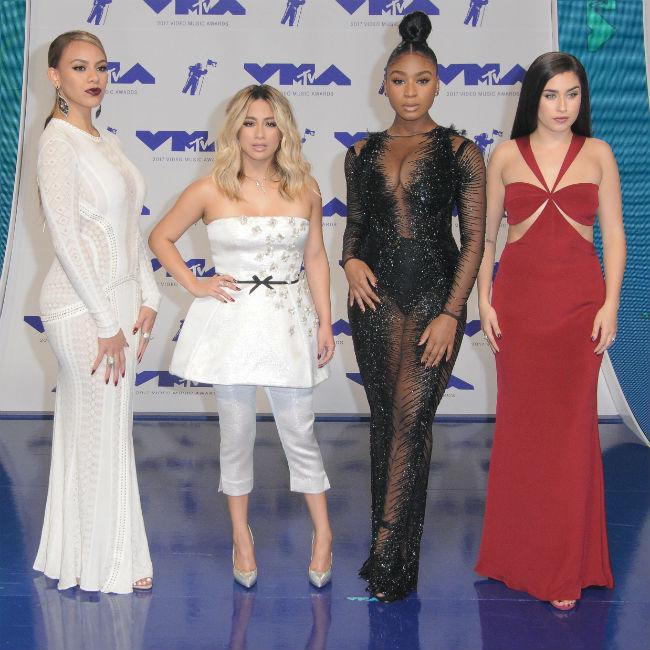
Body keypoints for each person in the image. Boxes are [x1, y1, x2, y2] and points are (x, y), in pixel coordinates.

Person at [148, 84, 334, 589]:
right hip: (230, 324)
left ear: (284, 131)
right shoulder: (209, 188)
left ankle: (323, 533)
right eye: (249, 122)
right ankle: (240, 535)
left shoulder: (306, 187)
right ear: (234, 129)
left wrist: (325, 321)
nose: (259, 133)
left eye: (270, 123)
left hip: (288, 321)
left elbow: (316, 258)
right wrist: (194, 284)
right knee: (236, 434)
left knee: (300, 431)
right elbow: (160, 237)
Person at [342, 11, 486, 601]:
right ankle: (392, 550)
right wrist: (349, 261)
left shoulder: (460, 152)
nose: (409, 91)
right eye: (398, 80)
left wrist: (452, 313)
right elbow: (355, 227)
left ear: (437, 84)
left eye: (421, 80)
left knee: (412, 417)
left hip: (435, 298)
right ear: (383, 86)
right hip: (375, 300)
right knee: (387, 421)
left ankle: (387, 549)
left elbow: (474, 241)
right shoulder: (360, 152)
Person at [475, 51, 625, 611]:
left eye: (572, 94)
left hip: (579, 308)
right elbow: (486, 238)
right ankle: (512, 555)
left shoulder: (599, 154)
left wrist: (611, 304)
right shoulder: (504, 155)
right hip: (519, 307)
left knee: (572, 435)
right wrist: (484, 300)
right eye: (551, 94)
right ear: (533, 98)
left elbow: (615, 235)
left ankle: (566, 566)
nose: (562, 106)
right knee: (521, 432)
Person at [34, 31, 160, 593]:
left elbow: (128, 228)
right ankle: (99, 561)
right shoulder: (57, 143)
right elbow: (65, 238)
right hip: (81, 309)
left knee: (109, 429)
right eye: (80, 67)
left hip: (119, 303)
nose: (94, 77)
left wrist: (149, 295)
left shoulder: (104, 141)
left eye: (101, 67)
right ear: (55, 77)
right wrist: (107, 324)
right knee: (96, 432)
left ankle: (90, 553)